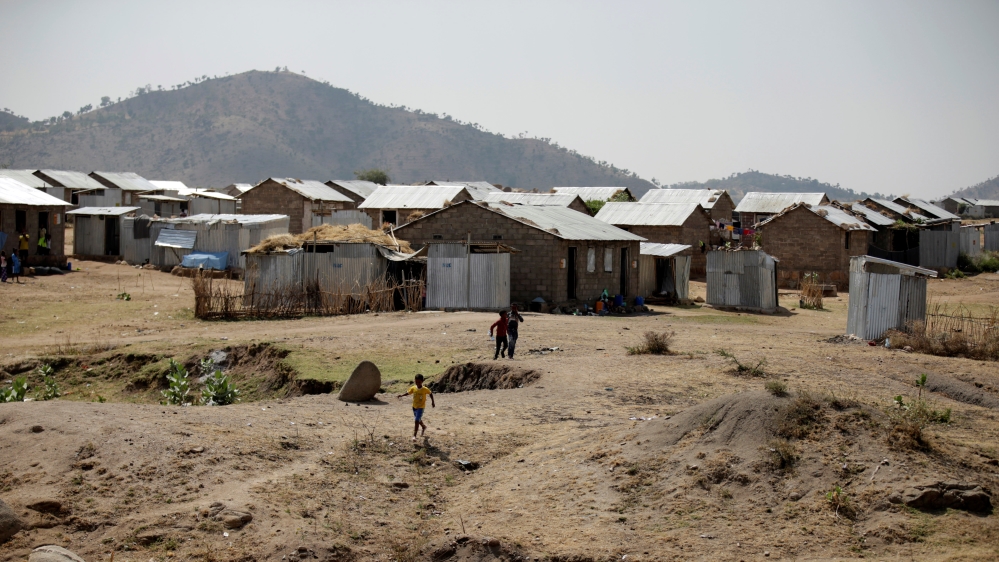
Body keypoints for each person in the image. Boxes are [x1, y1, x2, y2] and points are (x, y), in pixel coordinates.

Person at [397, 374, 434, 441]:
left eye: (419, 382)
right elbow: (408, 392)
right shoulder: (413, 388)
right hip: (414, 407)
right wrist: (402, 395)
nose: (417, 383)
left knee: (416, 420)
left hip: (421, 407)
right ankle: (423, 427)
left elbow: (430, 393)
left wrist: (433, 402)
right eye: (416, 382)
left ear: (422, 381)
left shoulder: (425, 389)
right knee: (418, 419)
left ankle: (414, 436)